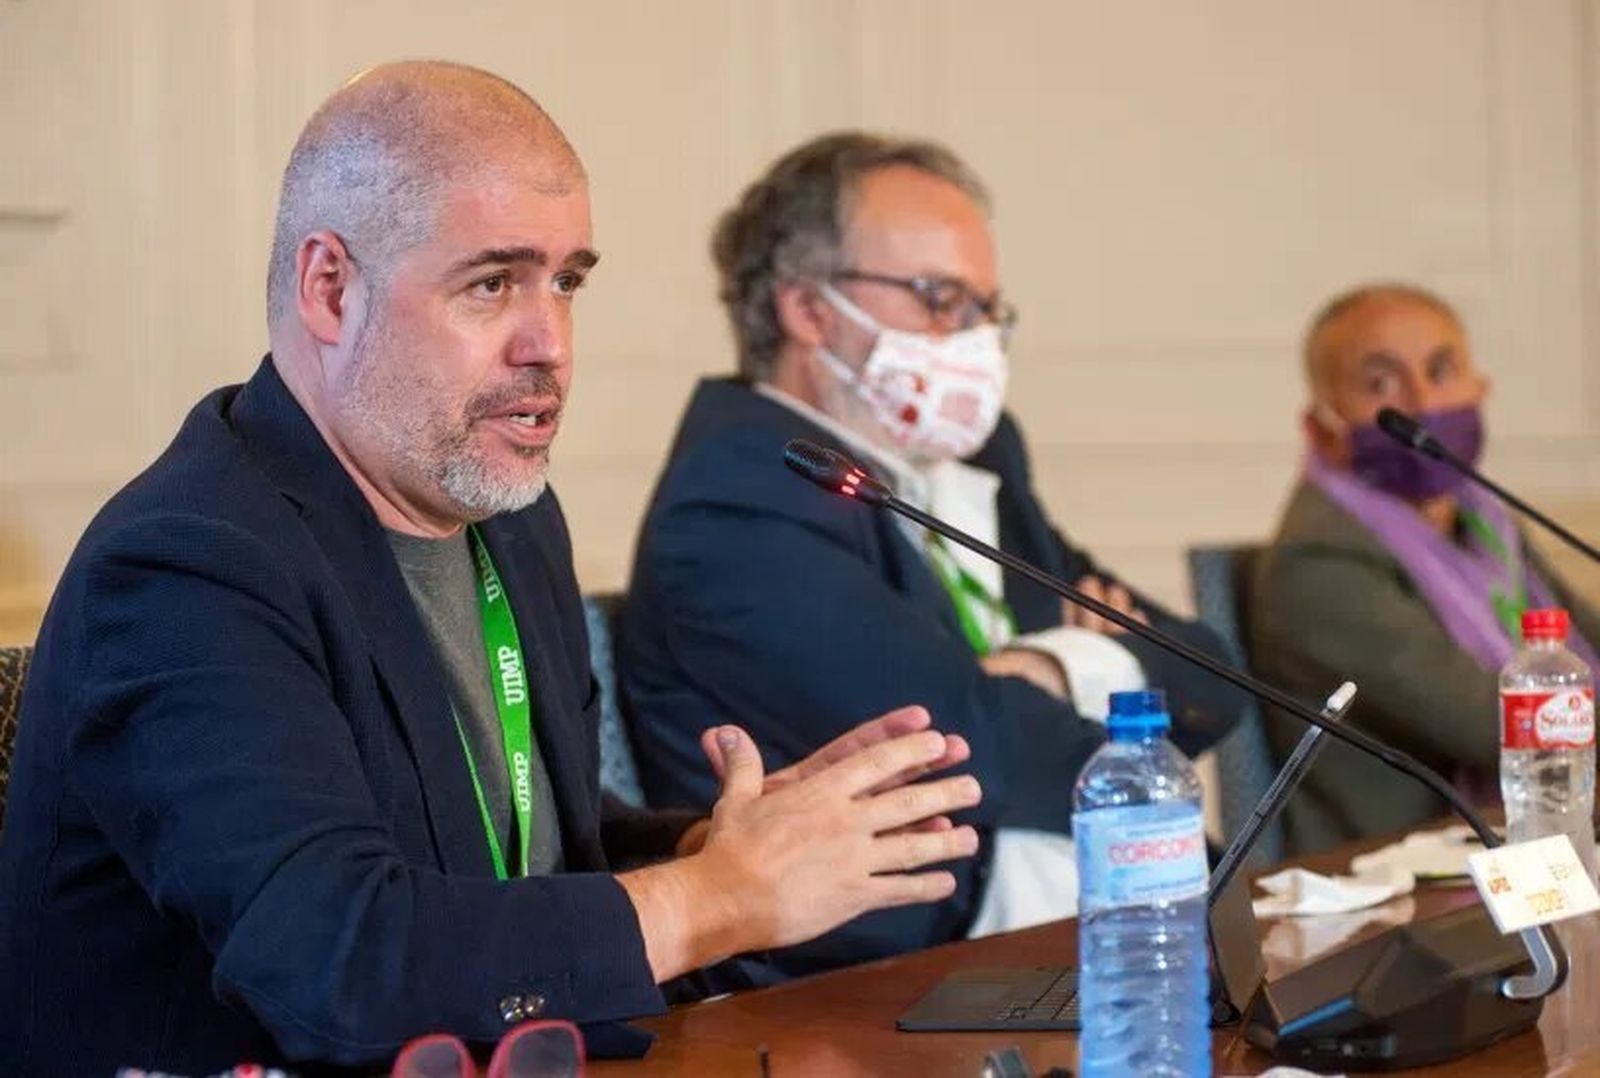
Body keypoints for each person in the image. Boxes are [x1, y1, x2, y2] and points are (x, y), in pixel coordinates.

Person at [0, 64, 984, 1076]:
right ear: (330, 288)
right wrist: (720, 898)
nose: (549, 343)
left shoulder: (507, 519)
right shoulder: (186, 564)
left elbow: (524, 849)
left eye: (566, 282)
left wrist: (718, 849)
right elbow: (343, 959)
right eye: (490, 283)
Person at [617, 132, 1242, 980]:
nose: (976, 337)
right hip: (860, 991)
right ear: (809, 309)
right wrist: (1087, 667)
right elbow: (968, 749)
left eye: (986, 308)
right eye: (939, 298)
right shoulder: (734, 499)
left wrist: (1051, 670)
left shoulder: (979, 466)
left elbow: (1210, 675)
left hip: (1052, 938)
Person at [1249, 282, 1600, 854]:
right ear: (1320, 426)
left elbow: (1582, 642)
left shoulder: (1483, 522)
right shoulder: (1316, 565)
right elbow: (1499, 726)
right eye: (1381, 383)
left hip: (1524, 844)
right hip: (1407, 885)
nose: (1423, 405)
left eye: (1441, 370)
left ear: (1481, 387)